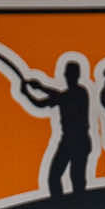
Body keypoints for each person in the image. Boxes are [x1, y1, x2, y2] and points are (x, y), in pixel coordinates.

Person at [21, 60, 94, 196]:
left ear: (75, 75)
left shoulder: (80, 93)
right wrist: (30, 92)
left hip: (79, 140)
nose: (68, 77)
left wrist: (38, 88)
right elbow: (42, 103)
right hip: (69, 140)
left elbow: (60, 97)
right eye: (68, 74)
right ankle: (61, 204)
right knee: (56, 176)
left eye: (70, 74)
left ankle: (77, 205)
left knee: (76, 178)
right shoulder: (69, 95)